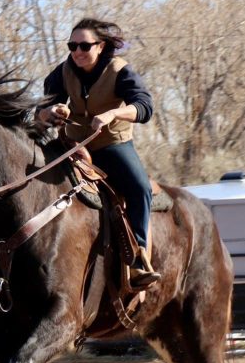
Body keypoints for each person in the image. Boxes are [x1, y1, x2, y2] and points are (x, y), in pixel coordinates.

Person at [36, 17, 161, 290]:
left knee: (140, 188)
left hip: (112, 145)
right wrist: (52, 113)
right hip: (72, 146)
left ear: (101, 46)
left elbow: (145, 107)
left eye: (84, 46)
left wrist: (115, 112)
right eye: (72, 45)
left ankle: (139, 257)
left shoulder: (120, 70)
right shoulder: (62, 72)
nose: (77, 51)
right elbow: (42, 110)